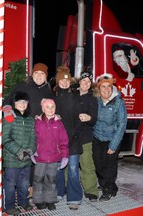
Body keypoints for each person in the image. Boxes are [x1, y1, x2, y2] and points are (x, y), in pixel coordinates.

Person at [2, 62, 54, 198]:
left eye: (42, 73)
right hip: (22, 129)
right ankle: (21, 189)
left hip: (41, 131)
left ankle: (32, 187)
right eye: (36, 73)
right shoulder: (22, 86)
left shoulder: (48, 90)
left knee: (37, 160)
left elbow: (52, 107)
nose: (39, 76)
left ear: (46, 76)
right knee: (23, 160)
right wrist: (8, 113)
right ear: (32, 74)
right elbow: (8, 101)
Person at [92, 73, 127, 202]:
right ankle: (108, 185)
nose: (106, 89)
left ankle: (107, 190)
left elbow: (122, 124)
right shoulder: (96, 101)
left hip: (112, 138)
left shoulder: (118, 102)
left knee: (110, 166)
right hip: (97, 137)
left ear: (112, 87)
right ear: (99, 88)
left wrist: (114, 144)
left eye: (108, 86)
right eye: (103, 87)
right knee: (99, 164)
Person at [31, 98, 69, 211]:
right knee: (38, 180)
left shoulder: (59, 123)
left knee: (51, 180)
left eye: (52, 107)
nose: (50, 109)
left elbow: (64, 141)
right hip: (40, 158)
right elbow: (32, 138)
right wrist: (33, 151)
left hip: (53, 157)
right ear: (43, 108)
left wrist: (65, 156)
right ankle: (38, 200)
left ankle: (50, 200)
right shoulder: (37, 122)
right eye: (47, 107)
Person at [54, 66, 83, 210]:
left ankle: (74, 197)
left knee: (72, 170)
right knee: (58, 169)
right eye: (62, 80)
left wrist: (73, 135)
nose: (64, 83)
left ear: (70, 82)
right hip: (57, 142)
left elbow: (79, 119)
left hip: (73, 140)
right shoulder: (54, 99)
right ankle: (59, 192)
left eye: (67, 81)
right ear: (58, 82)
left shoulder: (76, 97)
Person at [2, 91, 36, 215]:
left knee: (24, 182)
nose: (22, 104)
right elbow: (5, 138)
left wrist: (30, 151)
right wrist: (19, 152)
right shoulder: (9, 118)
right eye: (19, 101)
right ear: (14, 103)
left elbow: (33, 138)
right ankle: (9, 206)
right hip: (12, 158)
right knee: (10, 184)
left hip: (26, 158)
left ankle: (24, 201)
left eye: (25, 102)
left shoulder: (30, 120)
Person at [74, 70, 99, 202]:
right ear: (79, 82)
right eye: (84, 81)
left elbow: (94, 118)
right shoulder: (72, 95)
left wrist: (89, 117)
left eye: (88, 81)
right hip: (71, 136)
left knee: (87, 164)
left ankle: (91, 191)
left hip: (86, 137)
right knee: (70, 165)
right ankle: (68, 187)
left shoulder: (93, 98)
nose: (86, 83)